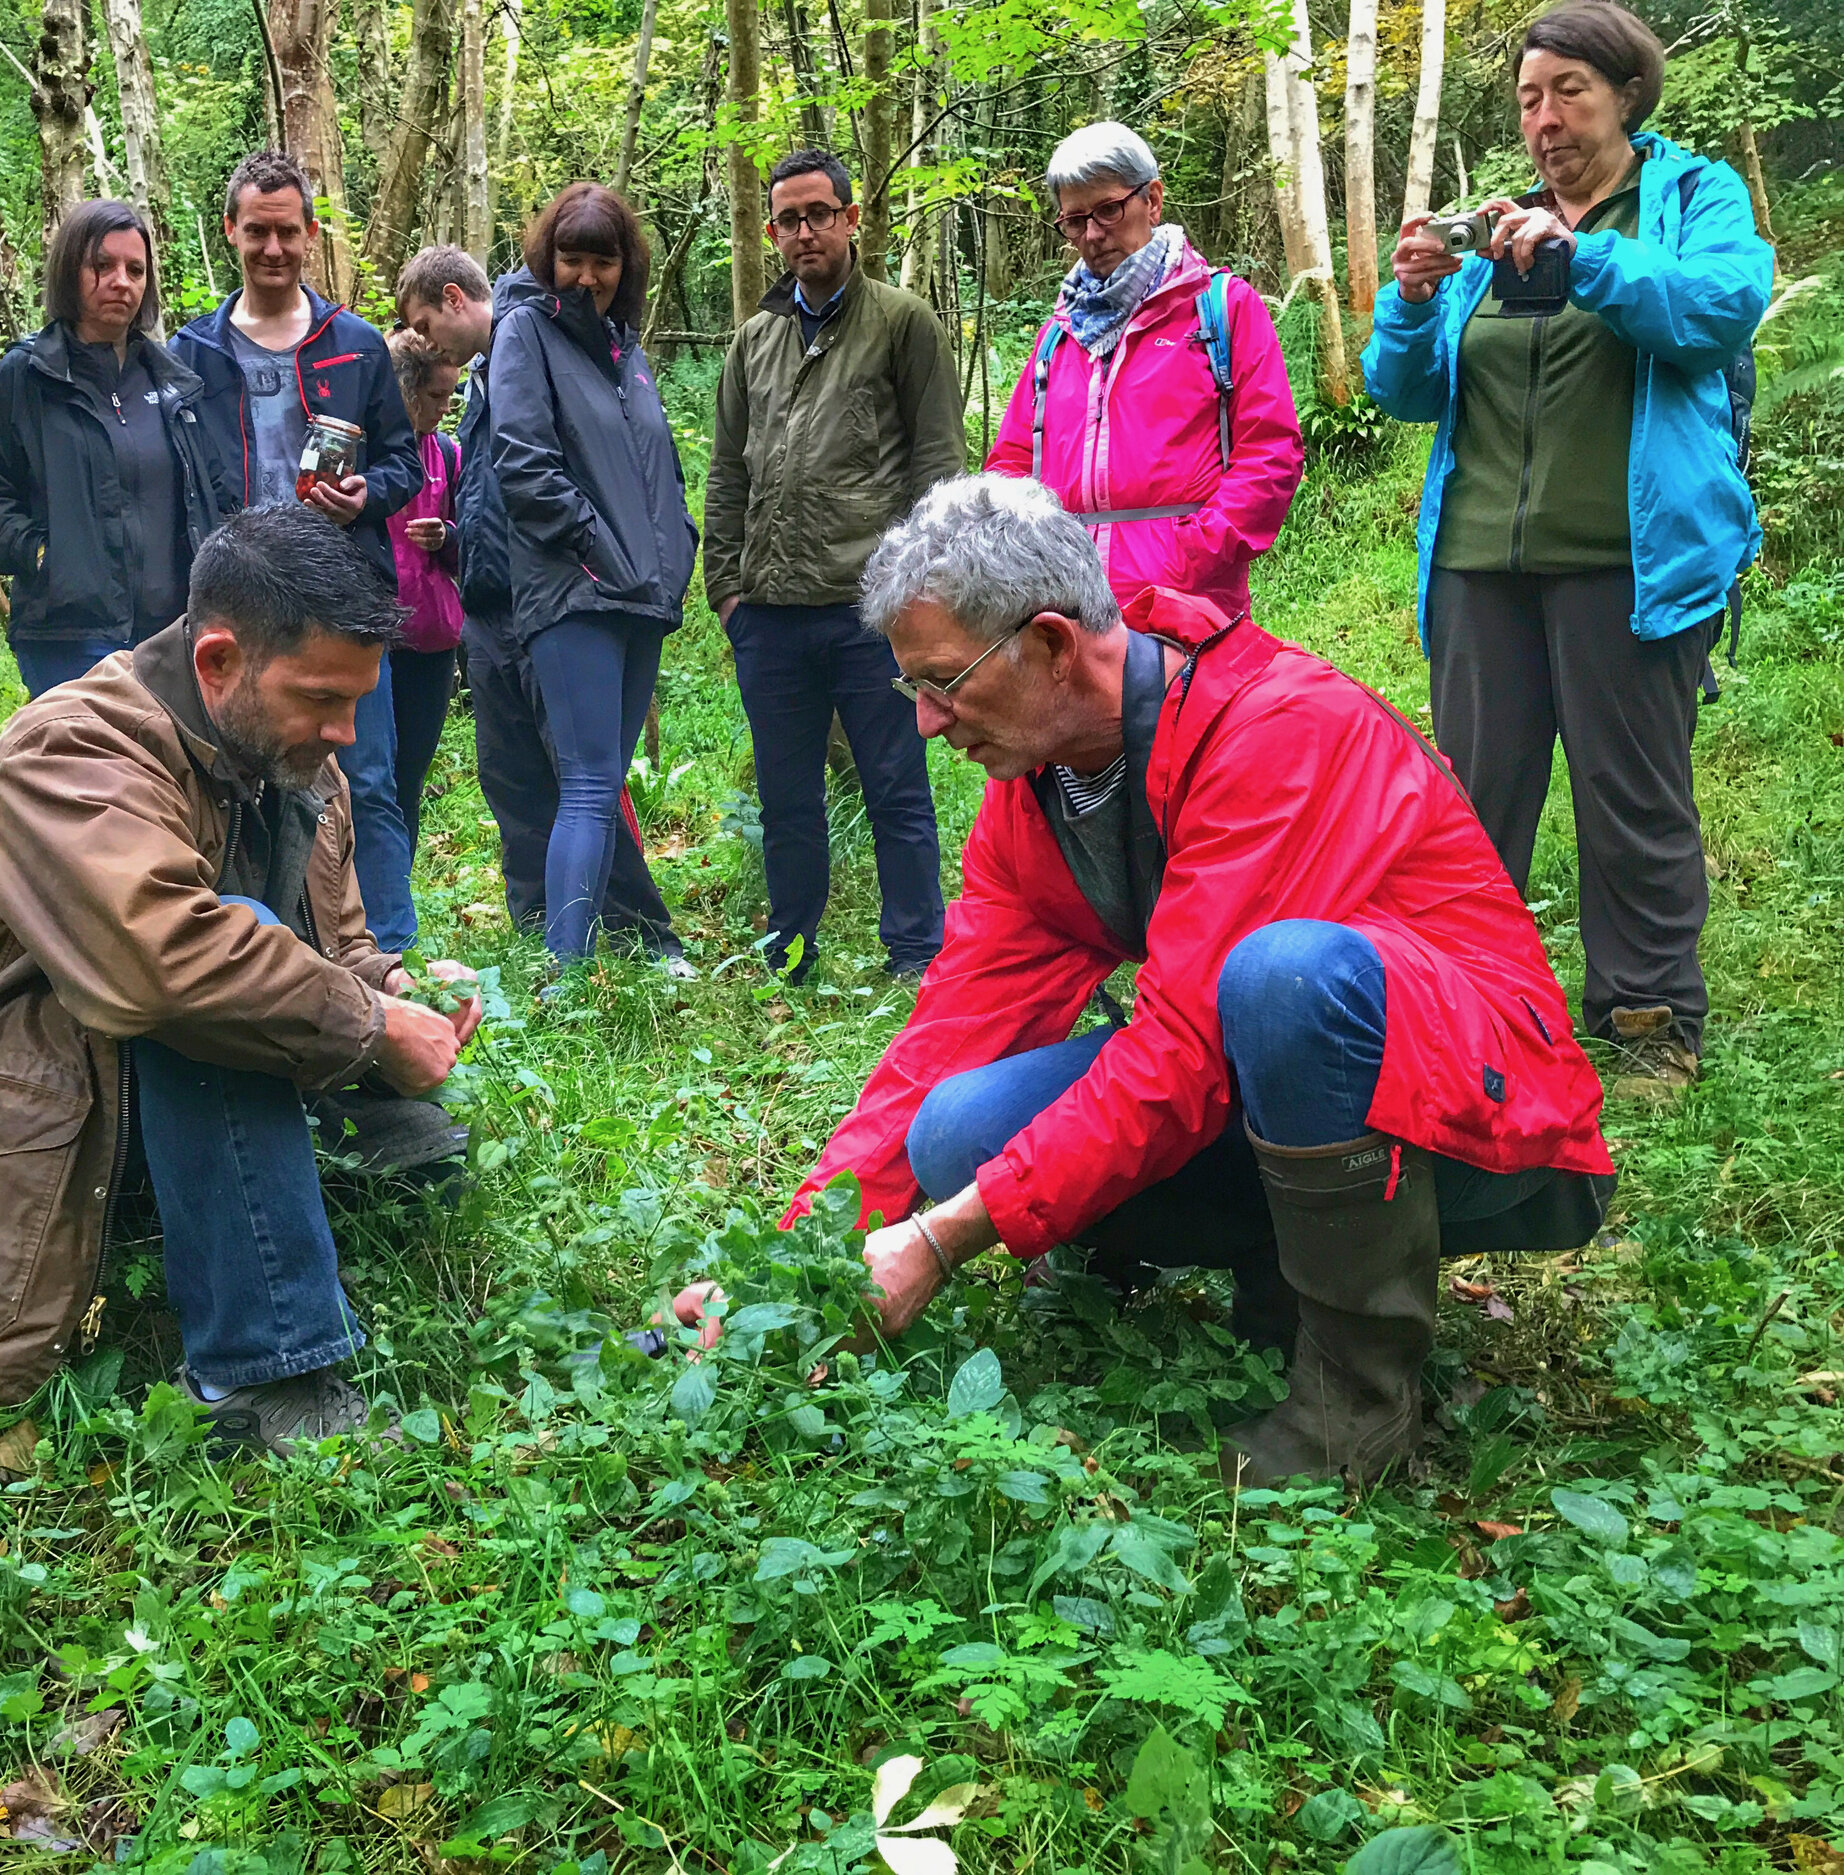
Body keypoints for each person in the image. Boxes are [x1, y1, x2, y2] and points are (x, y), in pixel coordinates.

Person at [681, 477, 1616, 1488]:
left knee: (1281, 978)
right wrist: (790, 1270)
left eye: (944, 682)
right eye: (914, 687)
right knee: (954, 1127)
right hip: (1278, 1093)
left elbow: (1183, 1056)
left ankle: (1356, 1408)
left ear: (1048, 642)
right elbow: (952, 1029)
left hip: (1492, 1119)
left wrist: (946, 1238)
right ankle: (1269, 1278)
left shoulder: (1276, 730)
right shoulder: (1032, 790)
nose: (927, 725)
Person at [0, 507, 480, 1453]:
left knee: (423, 1156)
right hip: (14, 1134)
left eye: (357, 701)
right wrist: (369, 1026)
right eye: (322, 698)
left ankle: (229, 1244)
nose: (346, 732)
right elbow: (164, 968)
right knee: (223, 976)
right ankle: (265, 1378)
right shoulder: (70, 752)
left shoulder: (294, 751)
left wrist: (395, 991)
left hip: (128, 1101)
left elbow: (337, 949)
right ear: (220, 662)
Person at [1364, 1, 1770, 1102]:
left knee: (1627, 794)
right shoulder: (1493, 227)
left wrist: (1586, 259)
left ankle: (1646, 1018)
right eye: (1529, 98)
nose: (1544, 118)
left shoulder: (1687, 199)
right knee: (1472, 799)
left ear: (1626, 92)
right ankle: (1470, 1008)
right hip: (1478, 567)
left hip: (1628, 562)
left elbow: (1718, 311)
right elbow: (1403, 392)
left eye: (1568, 93)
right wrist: (1406, 304)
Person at [707, 149, 958, 983]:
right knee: (787, 798)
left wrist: (923, 595)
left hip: (872, 611)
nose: (804, 230)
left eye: (820, 213)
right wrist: (728, 590)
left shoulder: (902, 323)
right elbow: (728, 471)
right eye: (788, 218)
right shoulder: (755, 341)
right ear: (772, 230)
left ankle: (917, 952)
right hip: (770, 614)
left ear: (852, 220)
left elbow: (937, 466)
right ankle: (791, 949)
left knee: (896, 787)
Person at [397, 244, 685, 962]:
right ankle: (538, 926)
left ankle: (641, 931)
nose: (426, 346)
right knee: (511, 776)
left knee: (587, 777)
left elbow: (591, 469)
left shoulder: (552, 339)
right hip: (491, 603)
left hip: (562, 595)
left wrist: (622, 559)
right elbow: (496, 494)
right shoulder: (482, 381)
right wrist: (460, 546)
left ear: (457, 299)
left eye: (426, 325)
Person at [177, 152, 423, 954]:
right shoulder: (193, 351)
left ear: (312, 235)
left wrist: (368, 496)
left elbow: (403, 460)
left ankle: (385, 947)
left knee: (368, 777)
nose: (273, 248)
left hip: (343, 593)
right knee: (236, 773)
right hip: (238, 598)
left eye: (288, 231)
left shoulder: (353, 342)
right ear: (230, 233)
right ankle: (258, 941)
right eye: (257, 232)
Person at [489, 184, 698, 965]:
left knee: (605, 783)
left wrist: (675, 551)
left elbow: (658, 474)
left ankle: (601, 949)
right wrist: (602, 551)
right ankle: (564, 978)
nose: (585, 276)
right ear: (548, 259)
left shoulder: (627, 350)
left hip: (642, 595)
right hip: (573, 590)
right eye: (570, 258)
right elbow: (524, 464)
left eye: (601, 260)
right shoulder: (523, 334)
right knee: (586, 782)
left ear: (625, 265)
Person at [983, 122, 1303, 622]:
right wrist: (1031, 568)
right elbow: (1012, 464)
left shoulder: (1222, 309)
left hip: (1188, 607)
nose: (1091, 234)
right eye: (1074, 220)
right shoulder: (1059, 335)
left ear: (1152, 200)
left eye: (1108, 210)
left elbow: (1270, 455)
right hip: (1070, 612)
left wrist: (1187, 558)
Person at [0, 198, 225, 699]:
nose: (120, 281)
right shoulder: (27, 377)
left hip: (172, 633)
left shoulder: (172, 382)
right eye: (101, 266)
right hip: (67, 636)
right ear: (70, 271)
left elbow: (212, 492)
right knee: (85, 775)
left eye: (135, 269)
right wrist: (45, 556)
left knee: (168, 774)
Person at [383, 329, 464, 847]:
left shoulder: (448, 455)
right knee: (369, 779)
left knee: (408, 777)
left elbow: (474, 544)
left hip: (432, 642)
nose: (443, 407)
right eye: (435, 396)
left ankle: (397, 905)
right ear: (406, 392)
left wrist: (447, 537)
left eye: (450, 396)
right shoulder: (365, 453)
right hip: (375, 641)